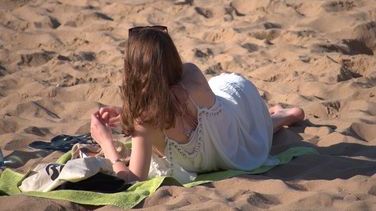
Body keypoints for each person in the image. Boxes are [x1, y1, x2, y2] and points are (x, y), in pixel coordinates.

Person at [90, 26, 304, 183]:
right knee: (246, 130)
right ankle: (278, 116)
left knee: (245, 129)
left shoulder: (144, 120)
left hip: (237, 103)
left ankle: (278, 117)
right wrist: (127, 113)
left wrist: (106, 142)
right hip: (238, 107)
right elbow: (164, 100)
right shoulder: (192, 74)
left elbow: (133, 178)